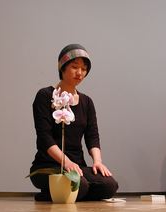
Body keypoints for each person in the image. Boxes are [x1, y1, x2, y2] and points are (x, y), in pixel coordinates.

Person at [30, 44, 119, 201]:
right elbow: (44, 136)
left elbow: (92, 135)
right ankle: (54, 192)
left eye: (84, 69)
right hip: (49, 165)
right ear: (62, 68)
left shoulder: (86, 102)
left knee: (109, 185)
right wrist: (66, 162)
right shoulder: (45, 95)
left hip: (77, 167)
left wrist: (97, 162)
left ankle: (61, 193)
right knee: (80, 185)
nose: (80, 73)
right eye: (74, 67)